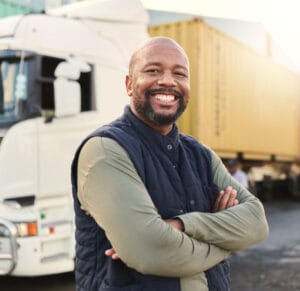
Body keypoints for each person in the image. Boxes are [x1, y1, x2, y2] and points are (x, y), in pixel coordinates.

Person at [71, 37, 269, 291]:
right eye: (153, 70)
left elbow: (256, 223)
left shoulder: (201, 155)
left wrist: (182, 225)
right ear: (129, 84)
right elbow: (149, 250)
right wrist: (227, 242)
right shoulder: (105, 150)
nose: (167, 80)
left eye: (179, 73)